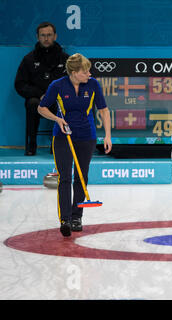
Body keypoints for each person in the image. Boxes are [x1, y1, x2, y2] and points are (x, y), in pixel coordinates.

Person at [38, 53, 112, 237]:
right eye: (85, 71)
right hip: (63, 137)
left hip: (87, 136)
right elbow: (42, 107)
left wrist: (108, 136)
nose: (89, 73)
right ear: (73, 72)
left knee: (81, 176)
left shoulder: (93, 84)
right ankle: (65, 219)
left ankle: (77, 216)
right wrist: (57, 119)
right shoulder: (57, 86)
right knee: (64, 177)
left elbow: (103, 110)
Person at [15, 22, 69, 155]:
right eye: (43, 35)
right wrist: (39, 95)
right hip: (38, 100)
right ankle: (31, 144)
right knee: (32, 104)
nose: (46, 38)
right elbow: (20, 84)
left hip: (58, 99)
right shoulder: (28, 59)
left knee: (65, 104)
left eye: (49, 35)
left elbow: (72, 83)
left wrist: (56, 95)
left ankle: (57, 144)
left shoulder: (66, 59)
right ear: (37, 37)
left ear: (55, 36)